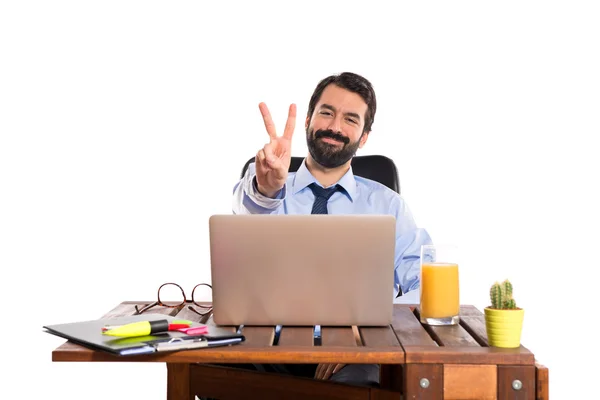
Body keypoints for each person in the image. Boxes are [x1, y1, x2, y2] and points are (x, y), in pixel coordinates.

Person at [231, 72, 432, 387]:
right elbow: (245, 214)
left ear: (364, 136)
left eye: (350, 119)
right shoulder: (267, 191)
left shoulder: (389, 206)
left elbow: (426, 283)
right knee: (204, 361)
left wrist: (366, 329)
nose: (335, 127)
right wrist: (265, 190)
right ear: (309, 119)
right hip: (265, 347)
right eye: (326, 113)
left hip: (353, 354)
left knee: (364, 381)